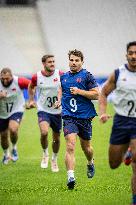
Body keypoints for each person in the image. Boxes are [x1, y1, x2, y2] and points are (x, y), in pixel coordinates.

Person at [55, 49, 99, 189]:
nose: (73, 63)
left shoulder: (87, 76)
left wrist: (80, 92)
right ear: (68, 61)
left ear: (82, 62)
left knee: (87, 148)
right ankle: (71, 177)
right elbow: (61, 89)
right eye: (71, 60)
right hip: (69, 116)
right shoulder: (64, 77)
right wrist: (59, 100)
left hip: (85, 117)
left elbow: (97, 94)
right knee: (70, 144)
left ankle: (90, 162)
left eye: (76, 60)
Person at [98, 41, 136, 205]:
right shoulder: (118, 74)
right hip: (120, 121)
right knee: (113, 164)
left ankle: (134, 199)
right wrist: (103, 112)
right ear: (126, 54)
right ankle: (127, 152)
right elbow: (103, 93)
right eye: (131, 53)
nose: (134, 56)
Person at [28, 55, 63, 172]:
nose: (52, 64)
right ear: (44, 63)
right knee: (44, 132)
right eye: (50, 62)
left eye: (53, 61)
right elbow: (31, 86)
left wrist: (60, 99)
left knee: (56, 139)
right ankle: (45, 154)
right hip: (43, 110)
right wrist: (31, 100)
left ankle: (54, 159)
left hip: (57, 112)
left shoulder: (60, 74)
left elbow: (63, 88)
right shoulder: (36, 77)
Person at [0, 67, 31, 164]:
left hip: (16, 109)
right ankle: (6, 154)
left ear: (12, 77)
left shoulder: (19, 81)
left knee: (13, 129)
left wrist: (31, 100)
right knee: (3, 136)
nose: (5, 81)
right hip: (2, 112)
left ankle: (14, 147)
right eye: (3, 78)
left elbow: (31, 84)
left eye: (7, 78)